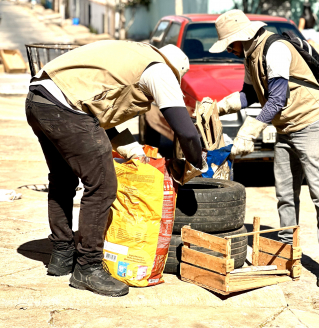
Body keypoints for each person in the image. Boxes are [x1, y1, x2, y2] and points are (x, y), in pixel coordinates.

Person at [26, 40, 204, 297]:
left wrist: (134, 150)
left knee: (63, 179)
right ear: (176, 73)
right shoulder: (161, 71)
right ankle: (87, 267)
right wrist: (197, 162)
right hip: (65, 108)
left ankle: (62, 255)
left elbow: (98, 113)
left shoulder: (134, 57)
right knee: (102, 185)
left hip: (38, 100)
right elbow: (186, 132)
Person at [202, 9, 319, 288]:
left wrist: (246, 133)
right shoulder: (251, 54)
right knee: (285, 195)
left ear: (241, 36)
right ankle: (287, 253)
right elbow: (251, 94)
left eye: (230, 44)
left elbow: (276, 99)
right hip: (286, 129)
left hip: (312, 123)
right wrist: (220, 107)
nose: (229, 50)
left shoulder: (274, 49)